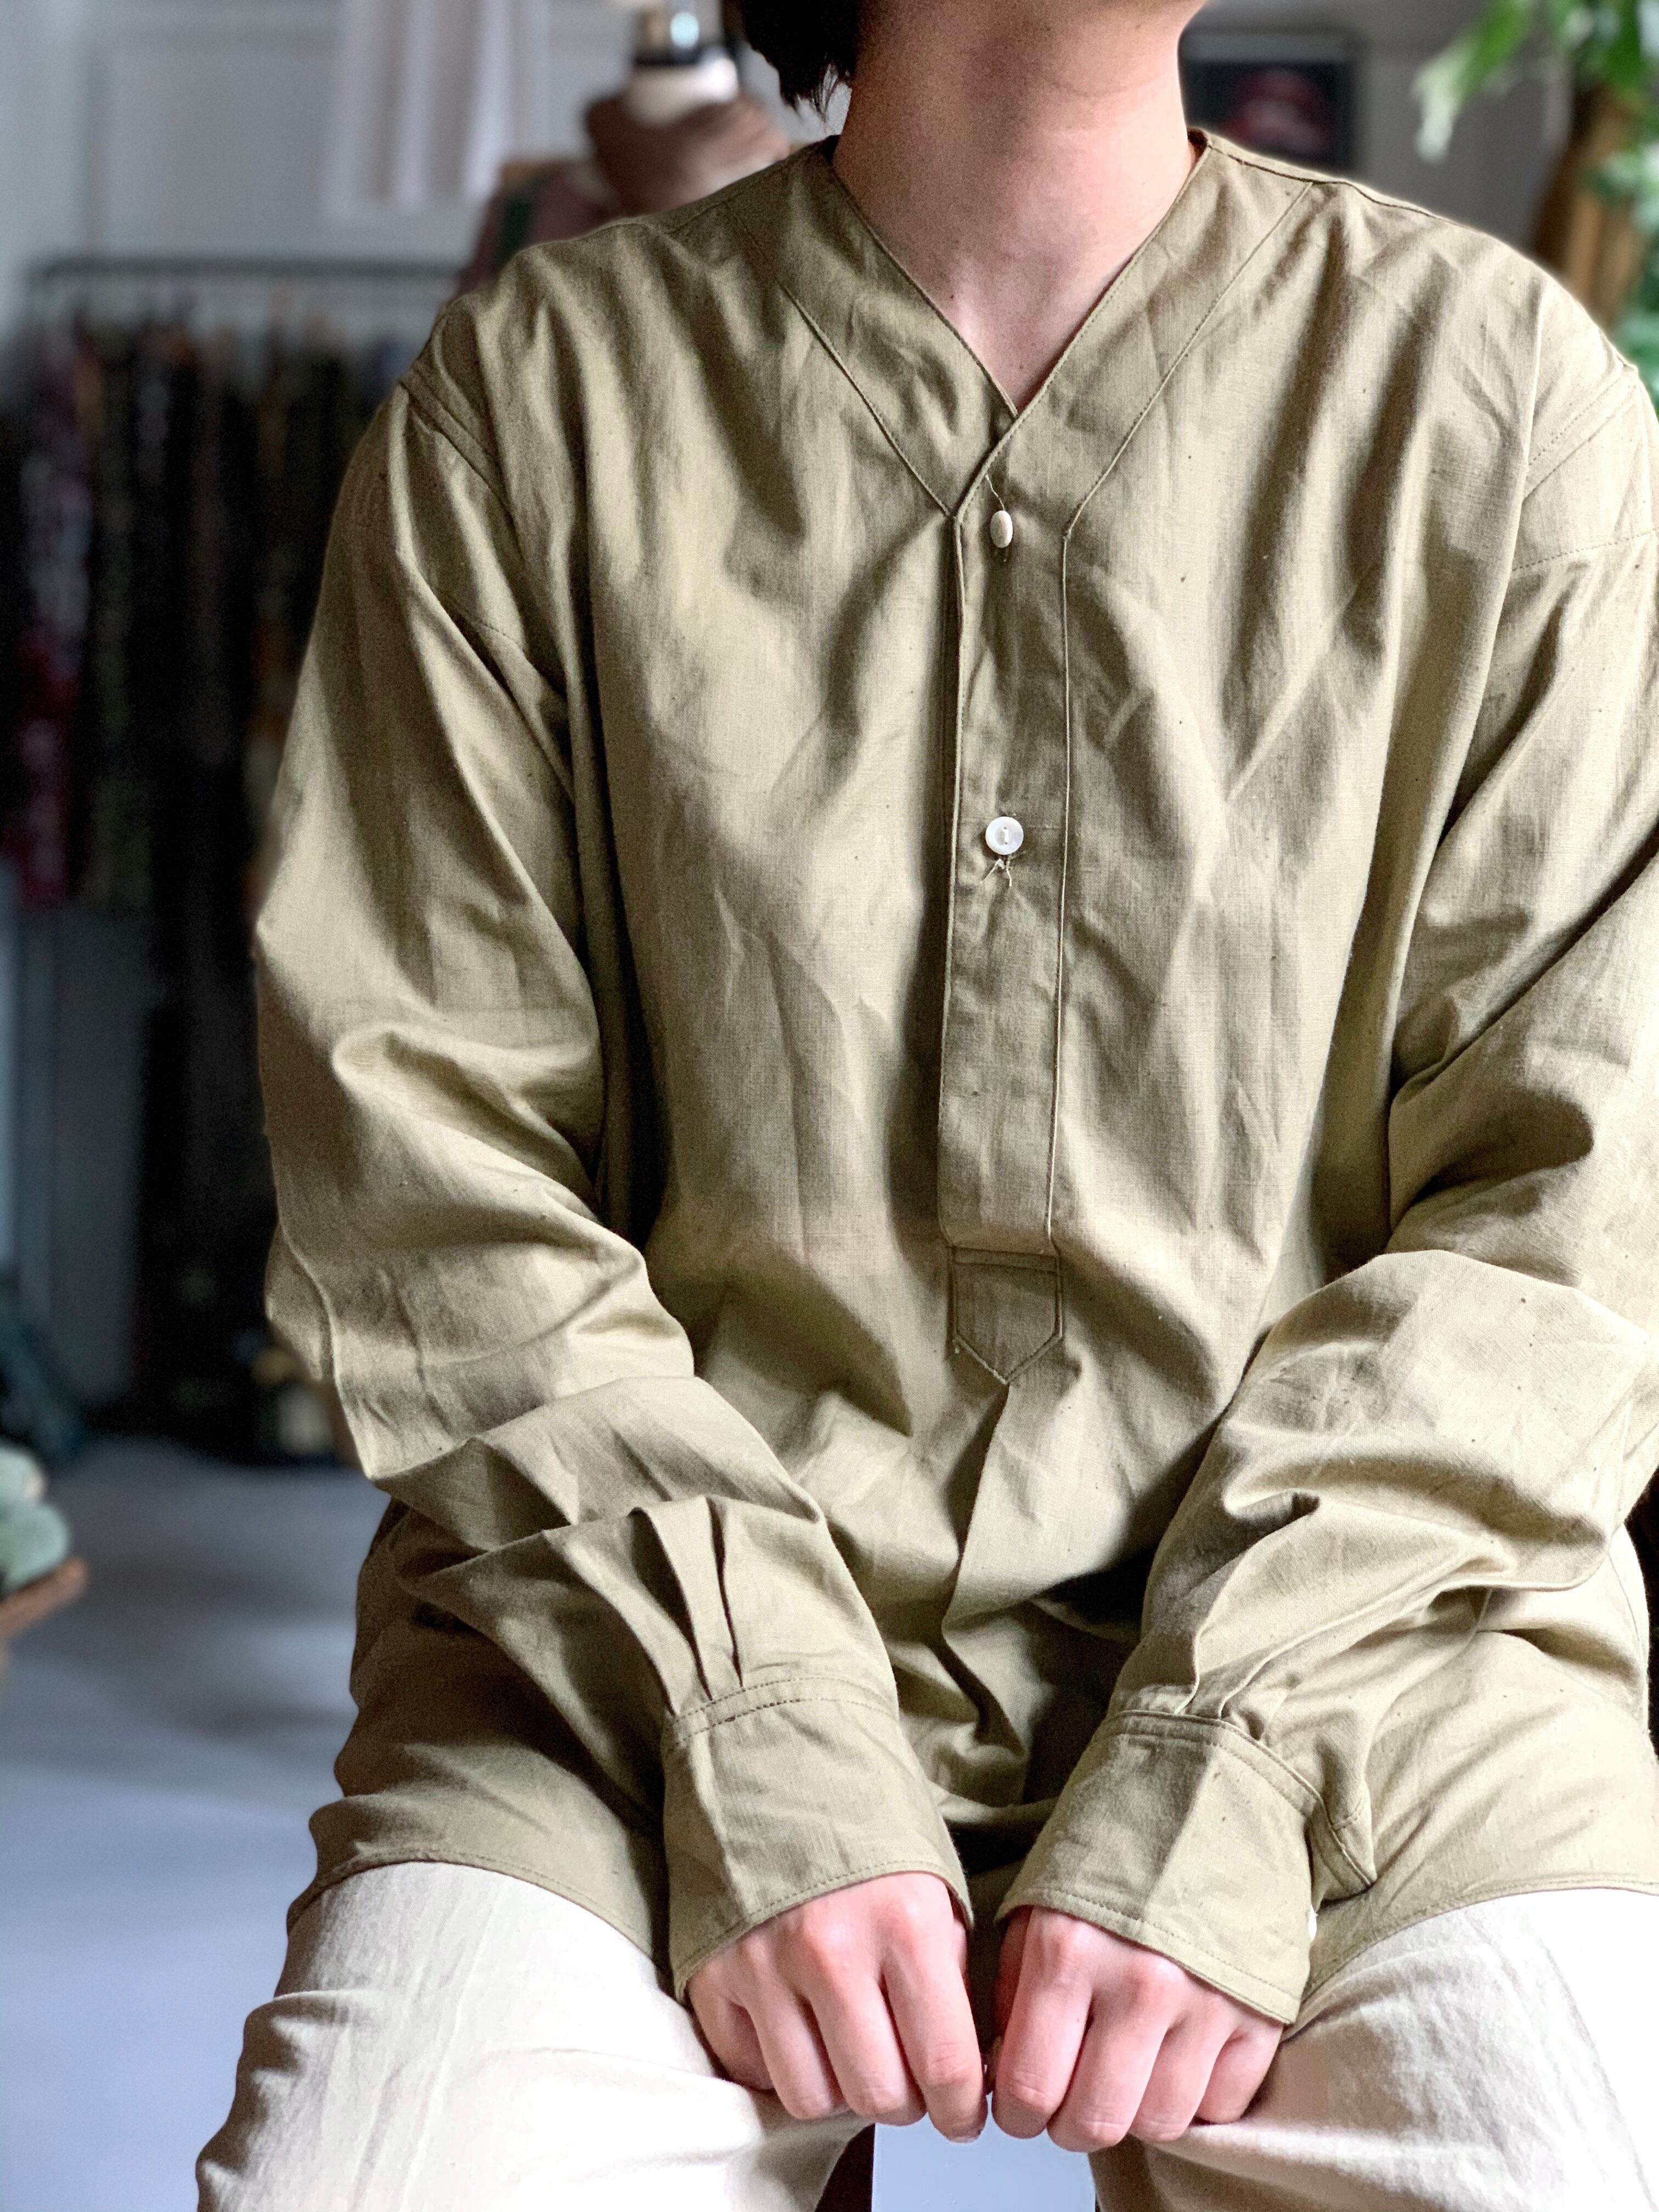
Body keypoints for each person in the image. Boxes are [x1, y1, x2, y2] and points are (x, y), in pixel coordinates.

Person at [199, 0, 1659, 2204]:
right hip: (621, 1649)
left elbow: (1573, 1204)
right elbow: (426, 1165)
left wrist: (1230, 1754)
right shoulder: (540, 396)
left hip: (1387, 1672)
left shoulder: (1504, 394)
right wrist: (752, 1720)